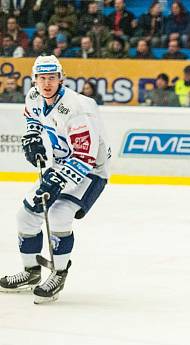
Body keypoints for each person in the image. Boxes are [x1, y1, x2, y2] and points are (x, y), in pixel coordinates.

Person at [0, 56, 111, 304]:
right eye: (42, 78)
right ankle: (31, 272)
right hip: (59, 166)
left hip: (91, 171)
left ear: (61, 78)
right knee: (25, 216)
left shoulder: (77, 110)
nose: (47, 83)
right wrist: (32, 136)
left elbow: (85, 157)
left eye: (52, 78)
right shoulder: (34, 96)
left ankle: (59, 273)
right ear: (35, 79)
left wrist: (57, 180)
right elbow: (31, 116)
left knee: (59, 214)